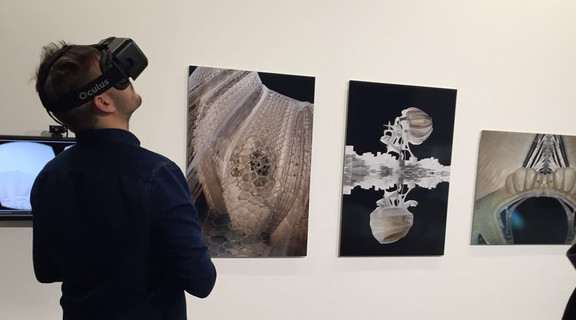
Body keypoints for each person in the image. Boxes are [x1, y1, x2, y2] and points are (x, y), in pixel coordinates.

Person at [31, 38, 216, 320]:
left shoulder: (48, 177)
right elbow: (202, 281)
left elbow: (46, 272)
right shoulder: (157, 174)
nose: (128, 78)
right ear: (103, 101)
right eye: (117, 75)